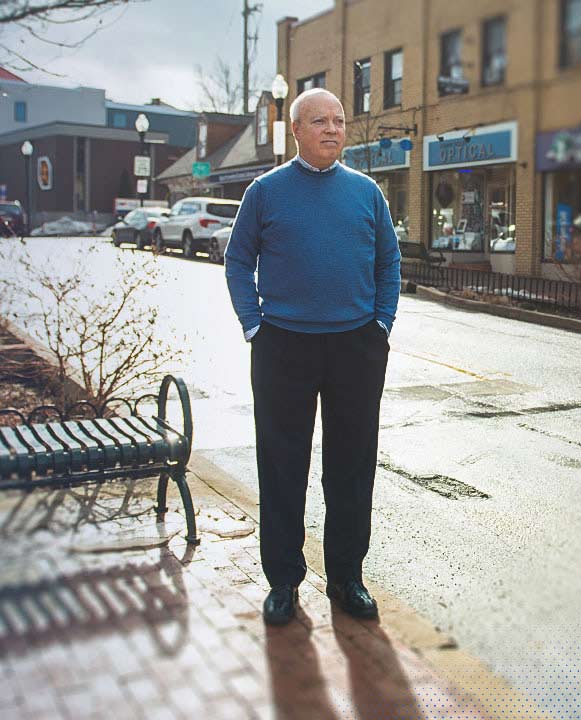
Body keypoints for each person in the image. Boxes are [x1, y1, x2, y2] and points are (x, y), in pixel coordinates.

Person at [224, 88, 401, 626]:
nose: (332, 129)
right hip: (283, 345)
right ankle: (283, 580)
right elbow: (237, 261)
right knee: (282, 465)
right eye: (320, 121)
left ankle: (347, 577)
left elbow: (389, 264)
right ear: (296, 130)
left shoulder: (367, 193)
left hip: (355, 346)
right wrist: (255, 325)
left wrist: (381, 325)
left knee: (351, 466)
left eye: (340, 121)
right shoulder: (265, 192)